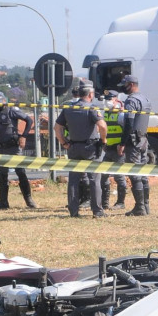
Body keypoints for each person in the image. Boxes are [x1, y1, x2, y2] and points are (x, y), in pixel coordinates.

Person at [54, 82, 106, 218]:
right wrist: (103, 140)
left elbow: (57, 128)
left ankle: (73, 211)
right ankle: (97, 211)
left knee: (73, 180)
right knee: (94, 179)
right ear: (90, 94)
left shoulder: (68, 109)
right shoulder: (92, 108)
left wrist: (63, 143)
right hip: (90, 148)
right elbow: (102, 126)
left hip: (73, 147)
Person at [0, 91, 36, 209]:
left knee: (20, 173)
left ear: (5, 101)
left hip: (14, 147)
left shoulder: (12, 110)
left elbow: (29, 121)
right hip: (1, 147)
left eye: (0, 102)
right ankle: (3, 202)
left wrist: (24, 136)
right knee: (2, 175)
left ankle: (29, 200)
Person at [119, 75, 152, 215]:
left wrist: (122, 143)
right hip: (143, 139)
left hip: (133, 142)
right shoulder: (145, 99)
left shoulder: (131, 101)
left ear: (131, 84)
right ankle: (145, 206)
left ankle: (139, 208)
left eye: (125, 84)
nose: (123, 87)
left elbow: (129, 123)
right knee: (143, 174)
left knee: (134, 174)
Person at [99, 91, 128, 209]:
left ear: (116, 99)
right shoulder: (105, 112)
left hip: (119, 149)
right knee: (103, 175)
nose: (107, 101)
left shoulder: (121, 113)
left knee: (119, 176)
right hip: (108, 148)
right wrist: (104, 142)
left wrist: (122, 145)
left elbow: (127, 131)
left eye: (110, 98)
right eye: (106, 98)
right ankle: (104, 203)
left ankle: (121, 203)